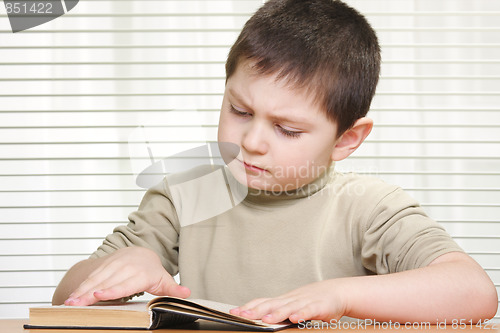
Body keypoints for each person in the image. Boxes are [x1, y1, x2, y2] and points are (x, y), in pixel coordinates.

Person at [52, 0, 498, 324]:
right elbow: (63, 297)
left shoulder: (369, 207)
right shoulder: (183, 195)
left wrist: (338, 296)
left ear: (346, 139)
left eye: (287, 129)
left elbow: (474, 292)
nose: (251, 141)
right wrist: (125, 268)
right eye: (240, 111)